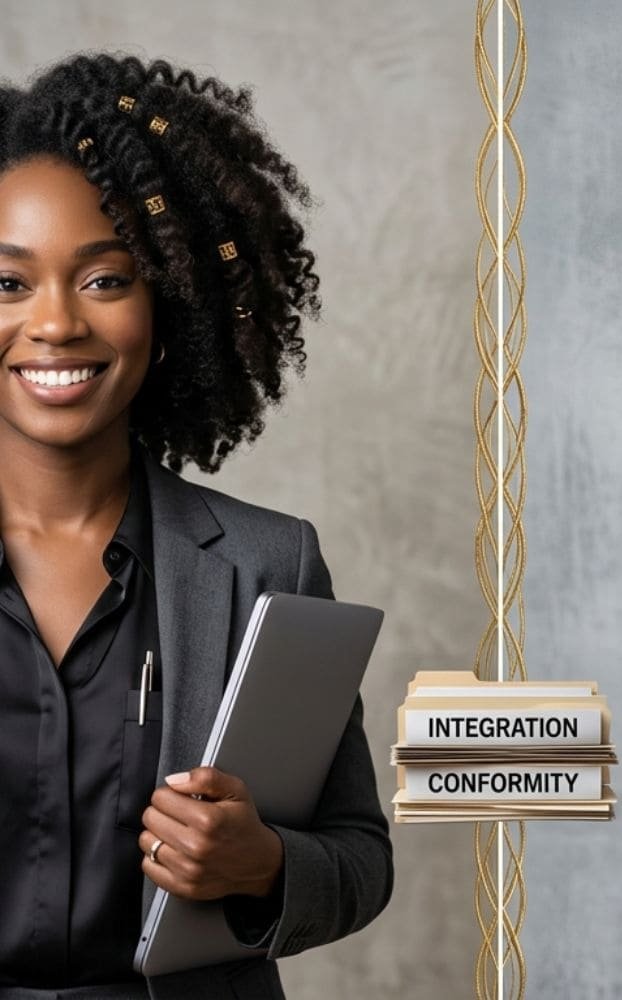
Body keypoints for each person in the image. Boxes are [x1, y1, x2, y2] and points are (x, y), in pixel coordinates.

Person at [0, 54, 392, 999]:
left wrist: (261, 865)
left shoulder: (269, 562)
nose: (55, 324)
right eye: (8, 284)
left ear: (168, 307)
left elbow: (359, 861)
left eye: (104, 280)